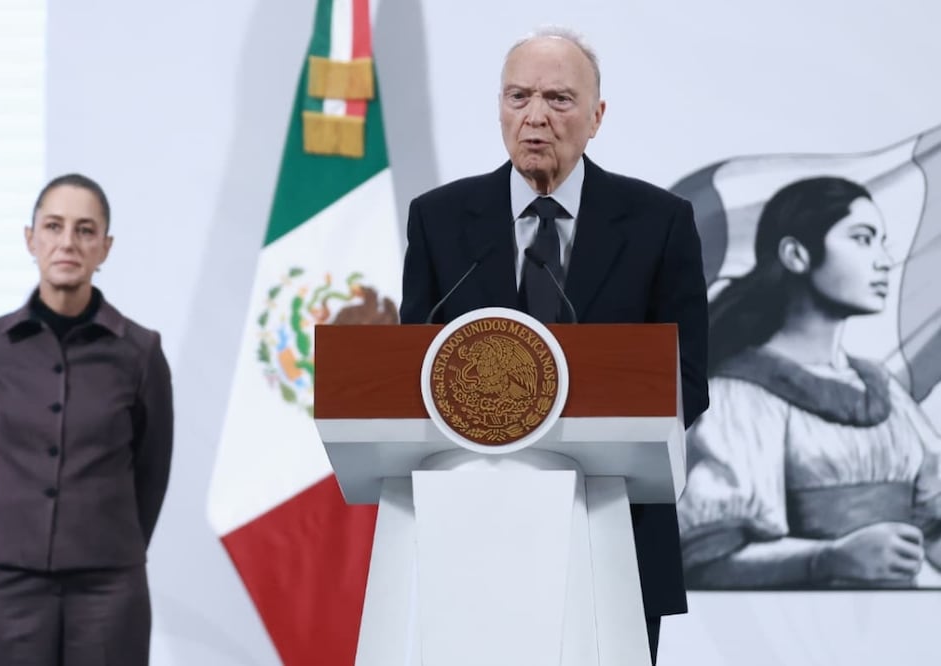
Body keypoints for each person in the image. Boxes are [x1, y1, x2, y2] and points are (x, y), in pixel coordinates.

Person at [399, 26, 709, 664]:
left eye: (559, 100)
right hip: (471, 527)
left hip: (613, 527)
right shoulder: (439, 219)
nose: (535, 116)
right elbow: (414, 373)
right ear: (500, 107)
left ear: (597, 116)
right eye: (519, 97)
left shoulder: (660, 222)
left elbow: (688, 382)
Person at [677, 176, 941, 589]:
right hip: (796, 634)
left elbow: (932, 522)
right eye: (862, 238)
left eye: (882, 240)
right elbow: (708, 558)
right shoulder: (741, 394)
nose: (884, 260)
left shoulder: (883, 389)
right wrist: (830, 558)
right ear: (796, 254)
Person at [0, 174, 174, 665]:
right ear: (30, 239)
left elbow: (151, 468)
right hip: (9, 580)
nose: (67, 243)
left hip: (108, 584)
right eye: (53, 227)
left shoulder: (139, 352)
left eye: (85, 230)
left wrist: (102, 533)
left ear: (105, 247)